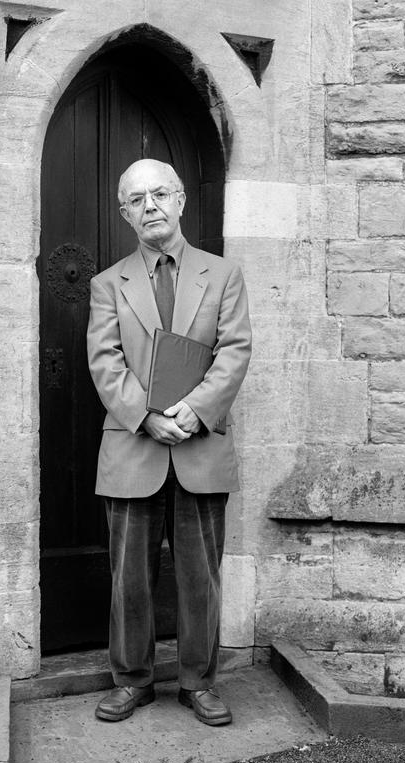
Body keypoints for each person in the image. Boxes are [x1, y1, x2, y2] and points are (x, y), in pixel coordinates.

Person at [86, 158, 251, 726]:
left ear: (180, 200)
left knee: (200, 577)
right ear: (125, 212)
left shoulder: (223, 275)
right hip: (134, 450)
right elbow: (104, 361)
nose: (150, 205)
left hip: (199, 449)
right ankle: (131, 681)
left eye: (159, 194)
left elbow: (234, 352)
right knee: (128, 577)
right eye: (137, 199)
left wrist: (195, 410)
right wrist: (146, 416)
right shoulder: (107, 284)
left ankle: (198, 683)